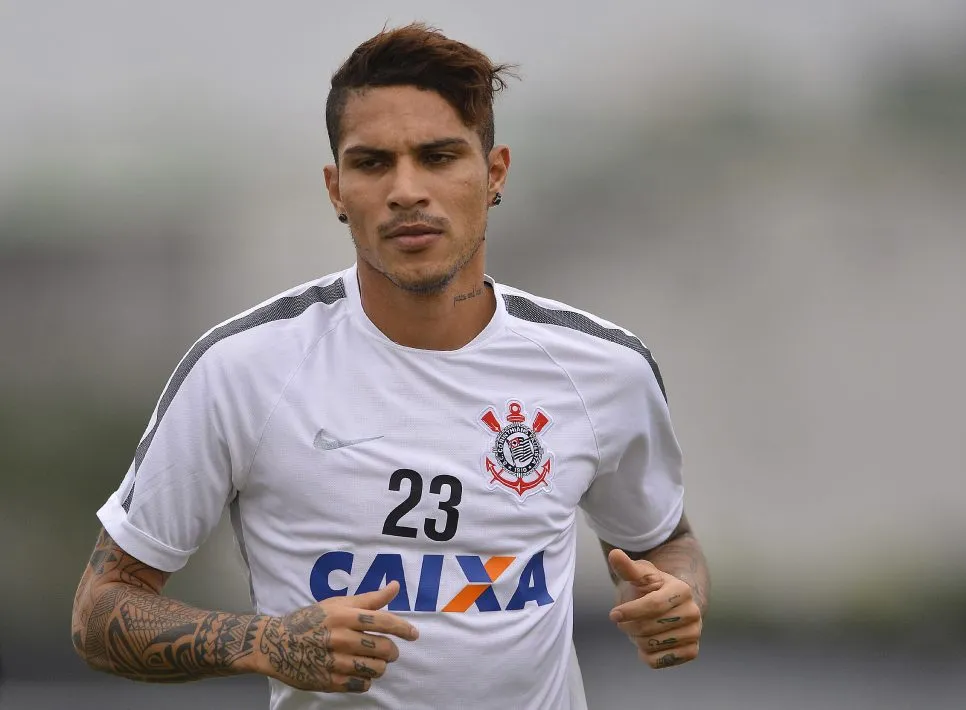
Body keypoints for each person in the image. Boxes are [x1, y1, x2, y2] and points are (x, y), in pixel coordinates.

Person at [70, 23, 709, 710]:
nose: (407, 190)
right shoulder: (242, 370)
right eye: (373, 163)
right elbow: (101, 611)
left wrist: (676, 597)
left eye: (438, 157)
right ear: (336, 188)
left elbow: (666, 544)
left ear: (494, 174)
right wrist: (265, 642)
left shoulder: (603, 369)